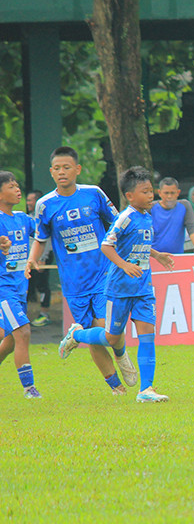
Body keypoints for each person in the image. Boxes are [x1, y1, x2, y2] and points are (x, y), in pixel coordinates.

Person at [59, 166, 174, 403]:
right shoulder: (124, 217)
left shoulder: (146, 217)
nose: (151, 195)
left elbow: (136, 245)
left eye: (151, 191)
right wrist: (124, 265)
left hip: (143, 287)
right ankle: (78, 335)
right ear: (130, 196)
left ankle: (146, 390)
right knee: (112, 338)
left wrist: (157, 255)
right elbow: (106, 245)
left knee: (147, 336)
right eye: (145, 191)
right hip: (119, 288)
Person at [28, 146, 136, 396]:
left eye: (67, 167)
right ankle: (116, 388)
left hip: (103, 274)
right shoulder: (45, 205)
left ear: (77, 169)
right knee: (93, 335)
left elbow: (117, 223)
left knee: (108, 328)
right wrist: (32, 260)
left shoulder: (93, 194)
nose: (62, 172)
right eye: (57, 168)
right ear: (51, 172)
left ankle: (118, 353)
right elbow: (41, 238)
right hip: (73, 282)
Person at [0, 172, 41, 399]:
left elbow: (43, 233)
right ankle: (29, 389)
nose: (18, 190)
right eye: (12, 186)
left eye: (18, 186)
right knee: (23, 332)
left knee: (8, 339)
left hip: (19, 289)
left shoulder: (23, 219)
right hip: (3, 287)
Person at [151, 177, 194, 255]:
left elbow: (192, 228)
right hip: (154, 257)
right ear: (159, 193)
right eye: (166, 193)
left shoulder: (184, 205)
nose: (169, 196)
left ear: (178, 192)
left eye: (172, 193)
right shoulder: (151, 207)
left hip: (177, 256)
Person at [24, 189, 53, 326]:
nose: (28, 202)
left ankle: (44, 314)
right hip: (29, 259)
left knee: (42, 285)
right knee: (29, 285)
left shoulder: (43, 218)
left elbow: (44, 240)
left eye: (30, 200)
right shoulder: (27, 218)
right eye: (27, 200)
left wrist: (42, 257)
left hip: (41, 258)